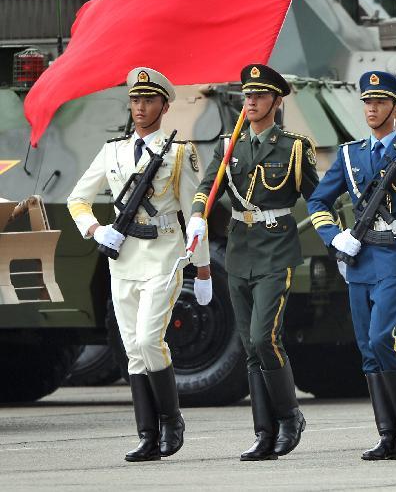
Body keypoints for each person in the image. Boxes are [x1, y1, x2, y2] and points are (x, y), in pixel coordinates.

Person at [68, 67, 211, 462]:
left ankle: (172, 419)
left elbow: (193, 217)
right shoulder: (112, 151)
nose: (140, 107)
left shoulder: (180, 153)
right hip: (123, 258)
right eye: (135, 100)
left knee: (150, 340)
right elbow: (76, 199)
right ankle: (148, 435)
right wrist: (96, 230)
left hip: (164, 254)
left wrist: (202, 269)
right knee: (133, 349)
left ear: (165, 106)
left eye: (148, 100)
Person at [306, 70, 396, 460]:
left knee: (385, 337)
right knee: (367, 347)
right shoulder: (350, 154)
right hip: (361, 259)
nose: (372, 108)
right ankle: (389, 434)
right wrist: (335, 236)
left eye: (380, 102)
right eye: (367, 101)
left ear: (395, 108)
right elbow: (318, 202)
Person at [190, 64, 319, 460]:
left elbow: (316, 197)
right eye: (248, 94)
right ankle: (264, 432)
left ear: (276, 101)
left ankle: (290, 416)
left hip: (276, 250)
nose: (252, 100)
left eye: (260, 95)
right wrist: (198, 214)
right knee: (249, 346)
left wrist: (335, 236)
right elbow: (206, 187)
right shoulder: (230, 144)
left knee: (265, 337)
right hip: (240, 249)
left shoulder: (293, 147)